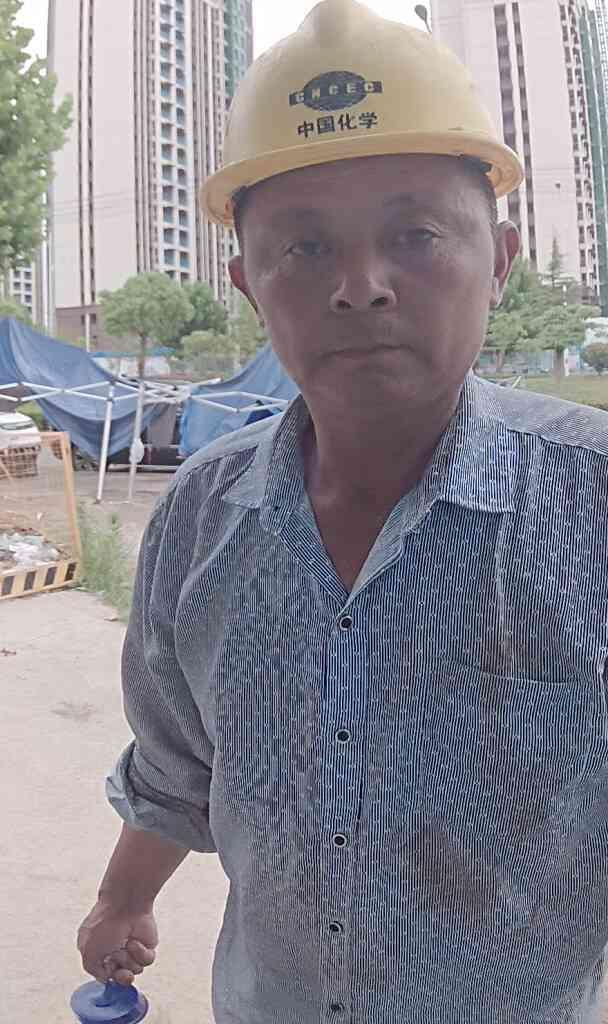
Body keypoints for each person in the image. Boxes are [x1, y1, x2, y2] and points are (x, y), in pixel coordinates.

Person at [77, 1, 608, 1021]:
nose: (359, 287)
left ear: (499, 260)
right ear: (246, 283)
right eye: (304, 248)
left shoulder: (590, 506)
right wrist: (121, 898)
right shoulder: (200, 519)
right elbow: (178, 762)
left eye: (415, 235)